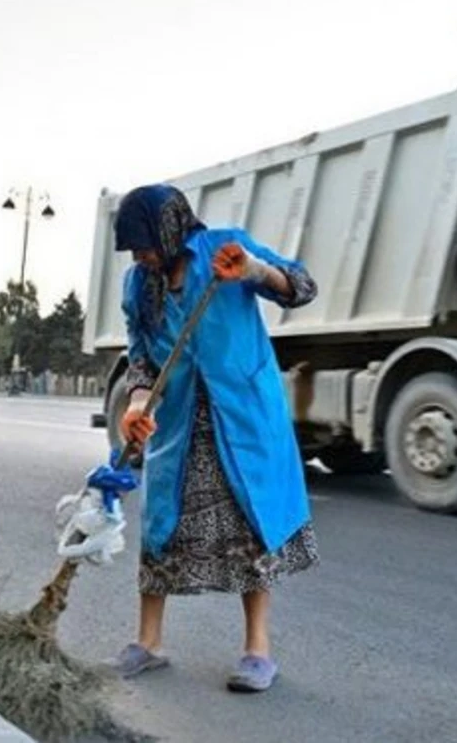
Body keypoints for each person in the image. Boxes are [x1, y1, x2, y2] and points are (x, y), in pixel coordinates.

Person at [111, 183, 319, 693]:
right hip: (180, 423)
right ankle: (149, 642)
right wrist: (137, 407)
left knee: (250, 531)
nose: (140, 256)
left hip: (243, 417)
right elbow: (141, 357)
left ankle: (257, 651)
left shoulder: (225, 247)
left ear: (171, 229)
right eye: (134, 249)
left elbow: (300, 286)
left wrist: (253, 269)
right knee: (161, 528)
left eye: (145, 244)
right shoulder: (139, 284)